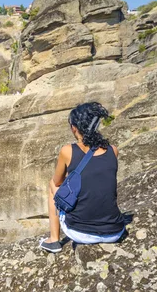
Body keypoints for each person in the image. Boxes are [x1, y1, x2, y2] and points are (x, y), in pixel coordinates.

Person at [39, 102, 126, 253]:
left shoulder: (67, 151)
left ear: (74, 128)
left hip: (82, 233)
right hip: (115, 232)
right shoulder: (113, 150)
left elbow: (57, 182)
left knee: (52, 186)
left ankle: (53, 240)